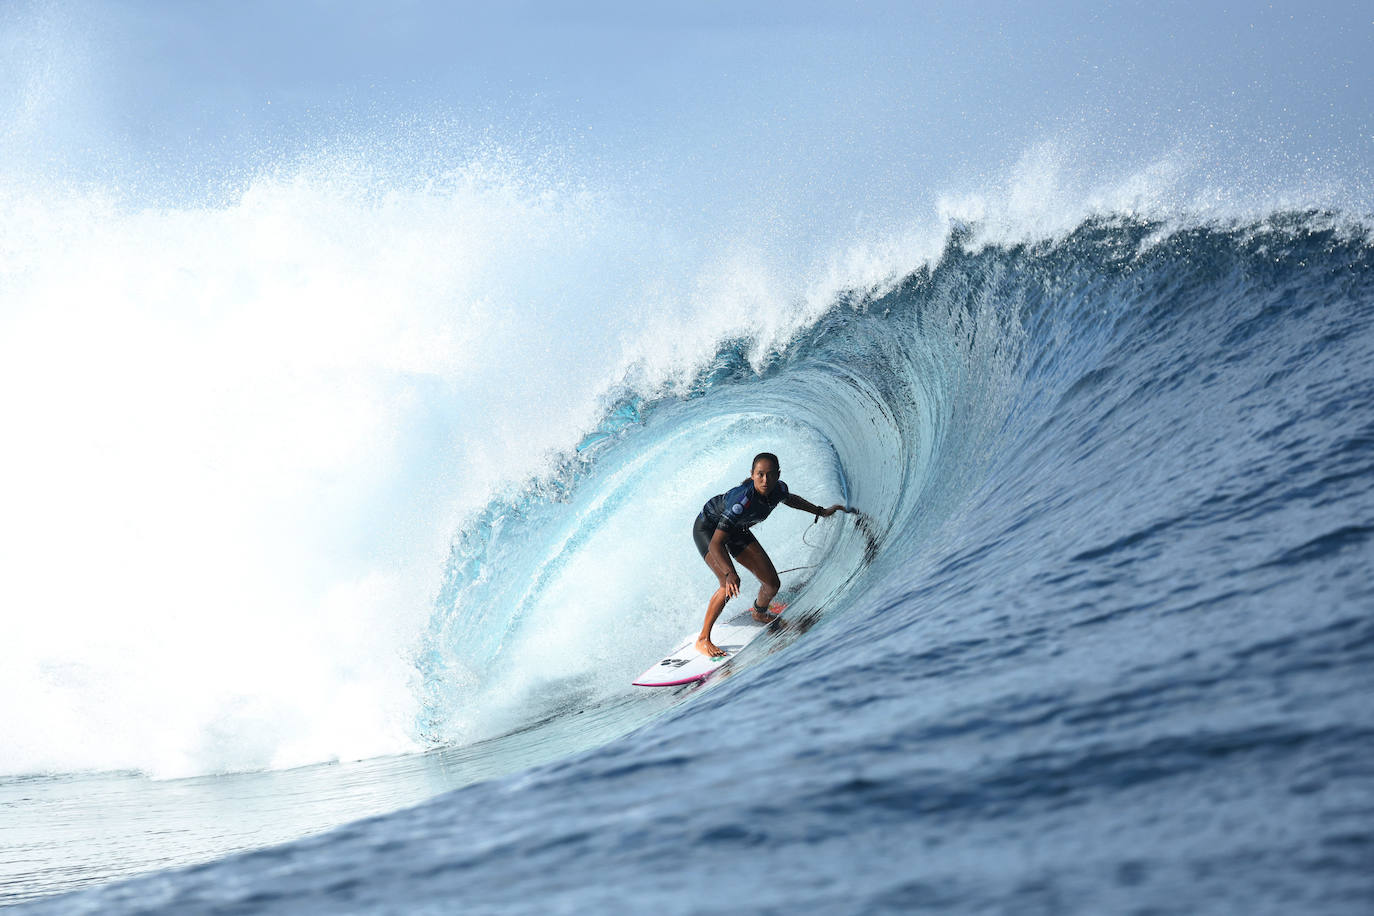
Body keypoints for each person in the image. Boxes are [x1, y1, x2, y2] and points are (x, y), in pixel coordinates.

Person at [692, 452, 852, 658]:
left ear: (778, 475)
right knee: (728, 583)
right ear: (751, 475)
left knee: (772, 584)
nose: (765, 480)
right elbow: (716, 543)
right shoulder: (741, 501)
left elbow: (791, 499)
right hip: (709, 530)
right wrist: (729, 572)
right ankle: (703, 639)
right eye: (760, 474)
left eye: (770, 475)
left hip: (736, 530)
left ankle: (759, 611)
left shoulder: (778, 490)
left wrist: (820, 511)